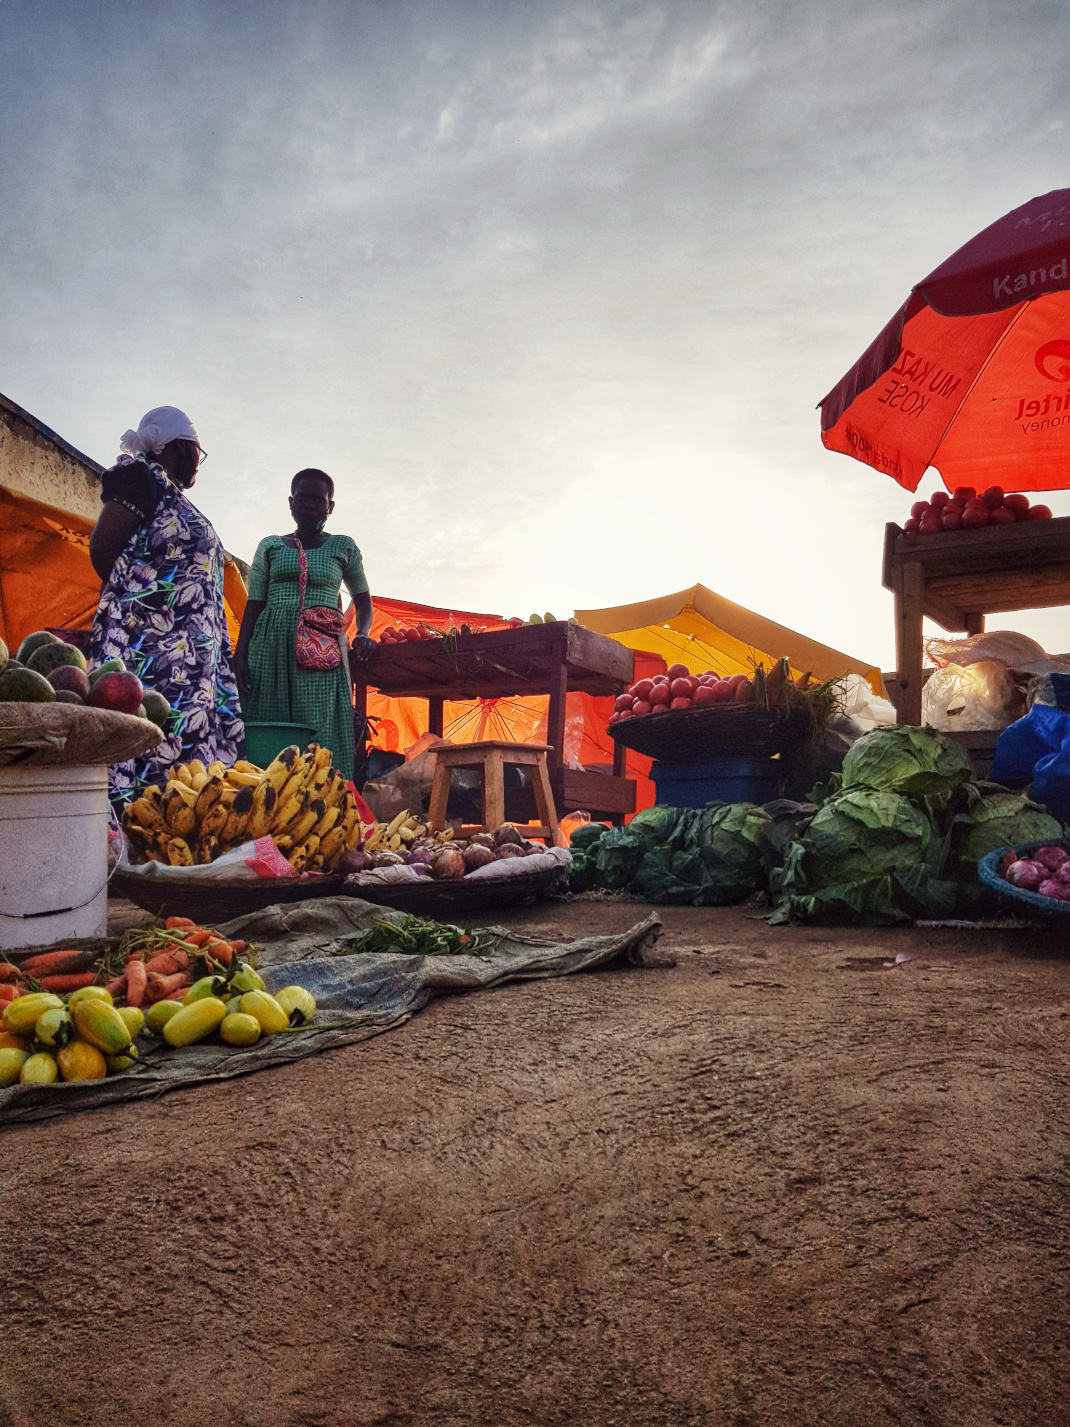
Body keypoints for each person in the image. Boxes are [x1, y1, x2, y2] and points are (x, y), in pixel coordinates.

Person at [88, 405, 244, 803]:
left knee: (187, 767)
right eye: (197, 451)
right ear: (174, 446)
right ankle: (135, 836)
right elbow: (103, 549)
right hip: (155, 655)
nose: (199, 462)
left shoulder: (172, 494)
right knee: (152, 738)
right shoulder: (140, 479)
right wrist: (146, 610)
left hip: (189, 664)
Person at [235, 469, 374, 778]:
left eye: (318, 499)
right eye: (303, 497)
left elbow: (363, 601)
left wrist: (362, 633)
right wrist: (241, 655)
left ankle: (324, 804)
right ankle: (264, 801)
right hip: (269, 646)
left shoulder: (344, 546)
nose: (309, 504)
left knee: (320, 729)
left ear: (330, 506)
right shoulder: (270, 545)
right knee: (268, 723)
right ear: (291, 502)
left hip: (321, 650)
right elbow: (255, 602)